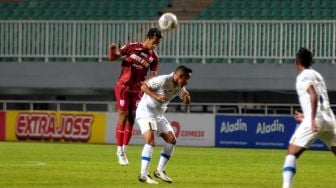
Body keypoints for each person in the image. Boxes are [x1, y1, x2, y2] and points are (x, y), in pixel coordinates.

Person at [282, 48, 336, 188]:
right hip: (330, 120)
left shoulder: (303, 76)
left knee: (291, 153)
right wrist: (306, 117)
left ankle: (286, 186)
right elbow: (321, 100)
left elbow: (314, 95)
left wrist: (310, 120)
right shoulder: (317, 75)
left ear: (297, 61)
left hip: (315, 120)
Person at [108, 28, 163, 166]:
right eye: (154, 41)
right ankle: (119, 151)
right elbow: (113, 57)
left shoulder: (154, 58)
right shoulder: (131, 46)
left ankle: (124, 150)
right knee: (123, 116)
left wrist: (150, 84)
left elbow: (153, 77)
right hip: (123, 87)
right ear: (148, 38)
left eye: (157, 43)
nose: (155, 45)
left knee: (132, 119)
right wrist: (112, 50)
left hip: (137, 90)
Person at [136, 65, 192, 184]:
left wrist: (187, 98)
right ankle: (144, 175)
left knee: (172, 140)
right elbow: (143, 86)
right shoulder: (163, 80)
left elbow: (187, 103)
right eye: (186, 79)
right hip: (146, 112)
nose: (187, 82)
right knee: (150, 140)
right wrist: (157, 96)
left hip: (159, 115)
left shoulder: (179, 86)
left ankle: (159, 171)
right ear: (180, 76)